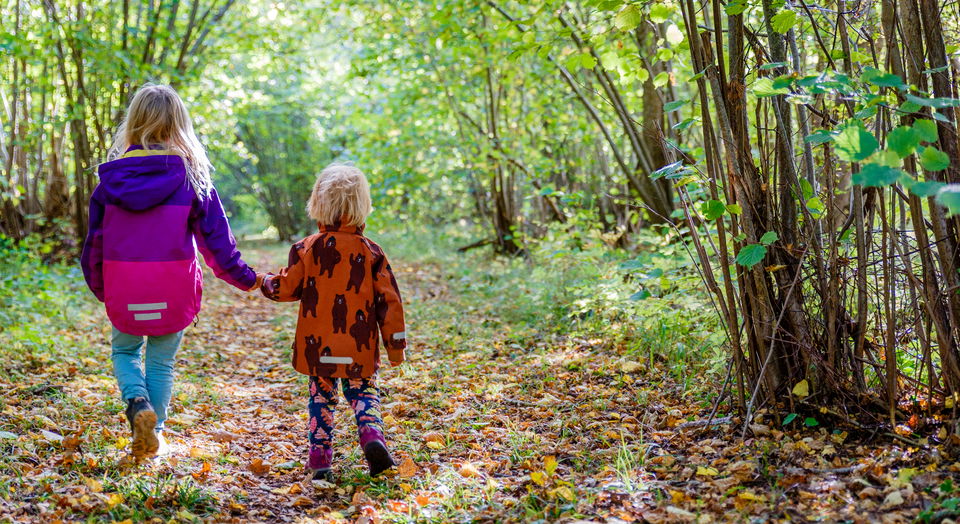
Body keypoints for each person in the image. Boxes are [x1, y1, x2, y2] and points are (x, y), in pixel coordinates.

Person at [80, 84, 261, 459]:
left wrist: (103, 289)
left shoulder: (109, 183)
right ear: (179, 125)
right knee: (161, 360)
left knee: (125, 351)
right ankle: (155, 432)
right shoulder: (192, 179)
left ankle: (136, 402)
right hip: (173, 288)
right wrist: (250, 279)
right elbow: (217, 243)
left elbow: (93, 246)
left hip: (125, 285)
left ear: (133, 123)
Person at [258, 163, 407, 480]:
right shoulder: (372, 253)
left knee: (321, 400)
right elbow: (390, 301)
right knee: (363, 393)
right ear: (362, 207)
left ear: (318, 205)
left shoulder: (306, 249)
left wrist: (263, 281)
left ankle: (321, 461)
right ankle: (371, 436)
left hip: (318, 346)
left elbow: (286, 288)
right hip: (358, 345)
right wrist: (395, 348)